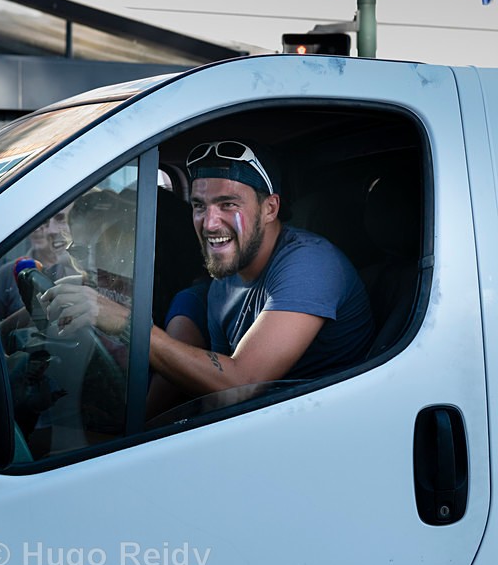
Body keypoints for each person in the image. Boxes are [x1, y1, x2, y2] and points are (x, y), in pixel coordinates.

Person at [44, 140, 374, 402]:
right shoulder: (225, 278)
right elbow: (215, 397)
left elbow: (240, 384)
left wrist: (127, 324)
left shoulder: (311, 265)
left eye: (228, 204)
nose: (209, 223)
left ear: (270, 208)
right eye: (200, 206)